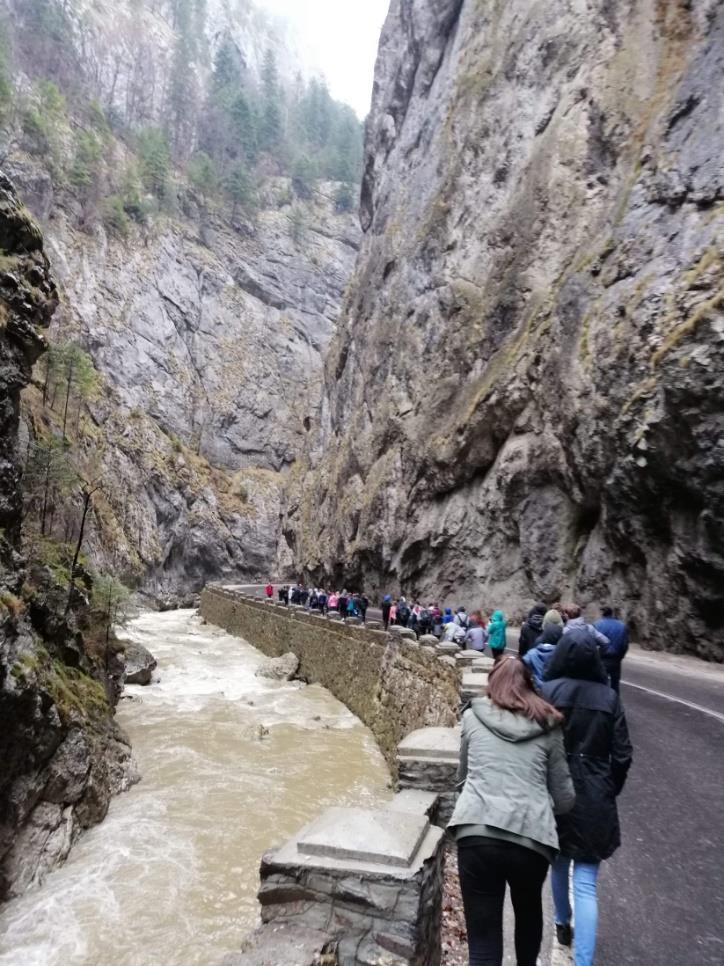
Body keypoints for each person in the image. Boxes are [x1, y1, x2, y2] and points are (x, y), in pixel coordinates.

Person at [449, 657, 575, 966]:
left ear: (492, 684)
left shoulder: (472, 718)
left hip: (476, 832)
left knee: (483, 940)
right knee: (529, 911)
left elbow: (461, 778)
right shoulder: (549, 725)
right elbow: (565, 798)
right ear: (530, 686)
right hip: (530, 840)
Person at [542, 632, 633, 965]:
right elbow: (622, 755)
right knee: (585, 883)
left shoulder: (548, 692)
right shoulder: (609, 698)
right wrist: (609, 788)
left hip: (555, 791)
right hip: (595, 792)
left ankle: (561, 923)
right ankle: (582, 961)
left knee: (558, 862)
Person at [594, 606, 629, 693]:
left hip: (602, 658)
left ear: (602, 614)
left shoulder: (597, 625)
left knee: (599, 683)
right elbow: (625, 644)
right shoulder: (622, 626)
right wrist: (621, 656)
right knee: (615, 684)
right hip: (616, 659)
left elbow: (593, 643)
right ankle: (615, 703)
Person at [523, 621, 563, 689]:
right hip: (552, 690)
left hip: (534, 688)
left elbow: (522, 667)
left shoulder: (532, 653)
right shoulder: (562, 656)